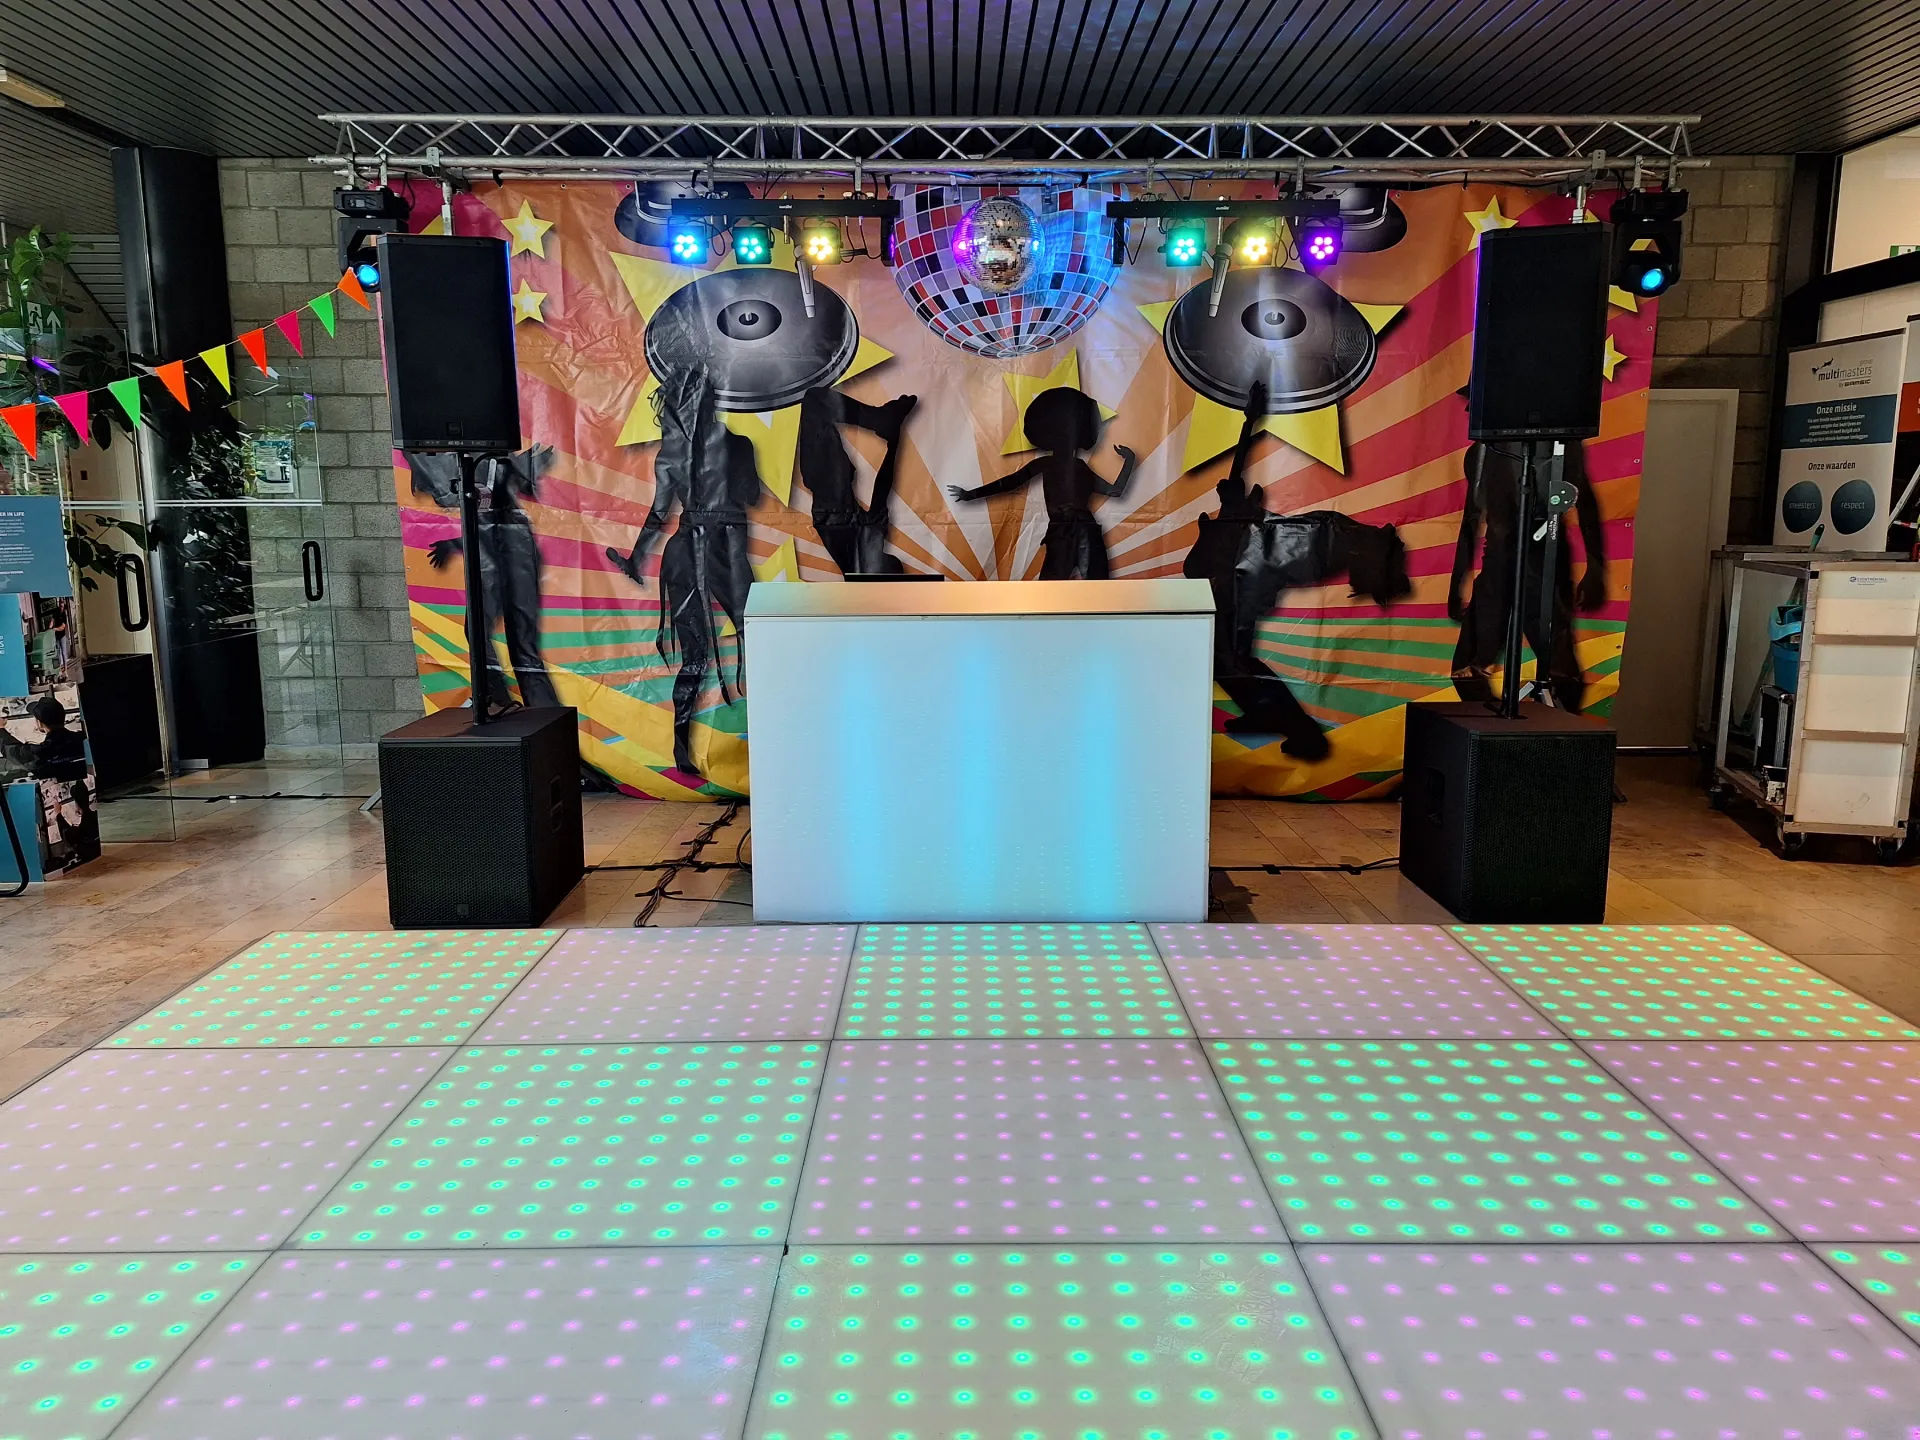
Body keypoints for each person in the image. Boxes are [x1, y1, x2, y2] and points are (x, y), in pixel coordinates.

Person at [604, 367, 759, 778]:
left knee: (699, 655)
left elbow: (659, 513)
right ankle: (702, 745)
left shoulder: (672, 453)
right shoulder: (736, 443)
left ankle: (682, 746)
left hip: (690, 548)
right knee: (753, 639)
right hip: (719, 549)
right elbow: (752, 495)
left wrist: (636, 559)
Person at [1448, 437, 1608, 712]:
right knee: (1467, 669)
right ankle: (1499, 727)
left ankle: (1552, 730)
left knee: (1562, 673)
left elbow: (1586, 505)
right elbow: (1471, 518)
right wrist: (1457, 583)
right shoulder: (1483, 450)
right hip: (1501, 564)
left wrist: (1595, 569)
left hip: (1545, 563)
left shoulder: (1561, 446)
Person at [411, 446, 561, 713]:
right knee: (489, 633)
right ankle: (501, 699)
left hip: (508, 543)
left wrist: (455, 542)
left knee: (517, 642)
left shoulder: (485, 458)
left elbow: (491, 505)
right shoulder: (472, 459)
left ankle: (534, 710)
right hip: (501, 540)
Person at [947, 387, 1136, 579]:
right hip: (1070, 532)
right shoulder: (1061, 465)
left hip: (1075, 532)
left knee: (1087, 588)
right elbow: (1010, 482)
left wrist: (1129, 461)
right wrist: (1129, 461)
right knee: (1071, 587)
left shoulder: (1068, 466)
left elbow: (1010, 482)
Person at [795, 388, 918, 576]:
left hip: (831, 483)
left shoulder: (866, 551)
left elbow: (882, 490)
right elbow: (882, 490)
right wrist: (894, 442)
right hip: (829, 481)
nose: (890, 558)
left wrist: (894, 442)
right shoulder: (869, 544)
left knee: (817, 403)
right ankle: (880, 419)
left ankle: (879, 419)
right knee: (816, 402)